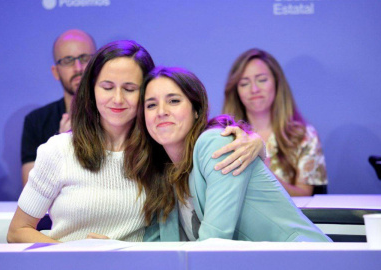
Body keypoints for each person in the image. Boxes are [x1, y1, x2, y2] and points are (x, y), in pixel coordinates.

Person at [8, 40, 265, 243]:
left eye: (130, 89)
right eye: (107, 87)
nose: (117, 99)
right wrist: (77, 253)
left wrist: (255, 142)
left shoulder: (162, 150)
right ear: (91, 90)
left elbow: (208, 141)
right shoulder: (59, 150)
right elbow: (18, 230)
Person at [137, 67, 331, 242]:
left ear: (196, 110)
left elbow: (214, 241)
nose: (161, 111)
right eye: (151, 105)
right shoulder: (164, 173)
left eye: (174, 101)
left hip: (303, 260)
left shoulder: (214, 143)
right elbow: (159, 248)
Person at [222, 49, 328, 196]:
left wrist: (265, 172)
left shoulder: (303, 136)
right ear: (236, 91)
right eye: (244, 83)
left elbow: (305, 195)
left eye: (262, 80)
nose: (254, 89)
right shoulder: (225, 136)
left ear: (277, 83)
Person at [20, 29, 97, 187]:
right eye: (68, 60)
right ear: (56, 72)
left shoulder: (114, 114)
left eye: (84, 58)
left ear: (96, 64)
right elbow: (30, 190)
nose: (78, 68)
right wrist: (61, 146)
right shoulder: (36, 121)